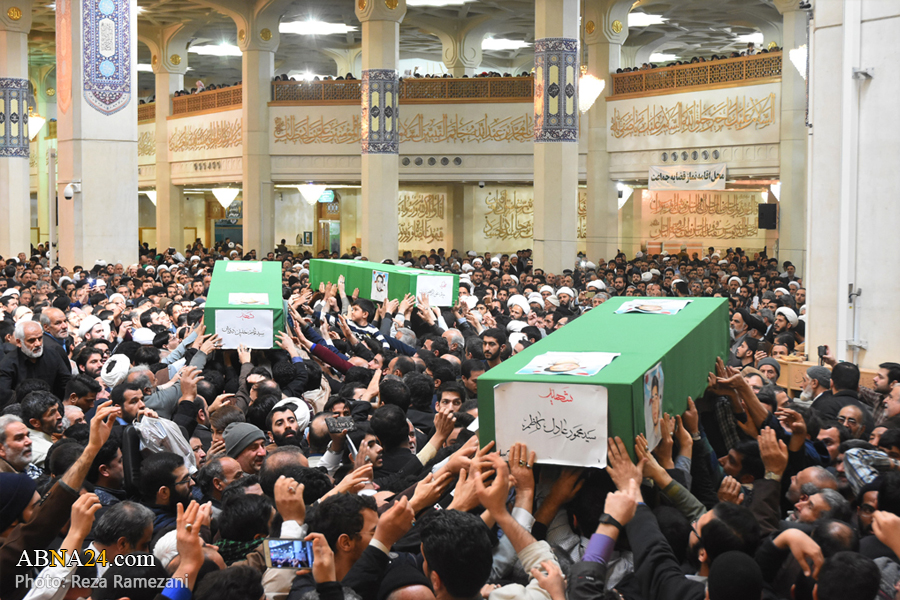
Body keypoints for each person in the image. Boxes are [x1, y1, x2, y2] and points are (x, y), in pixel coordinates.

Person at [0, 321, 71, 405]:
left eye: (40, 338)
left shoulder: (53, 355)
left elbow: (66, 382)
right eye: (31, 340)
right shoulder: (8, 363)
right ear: (19, 342)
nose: (38, 344)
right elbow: (5, 395)